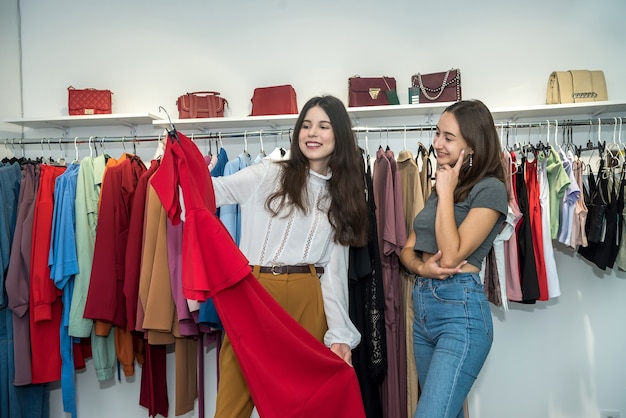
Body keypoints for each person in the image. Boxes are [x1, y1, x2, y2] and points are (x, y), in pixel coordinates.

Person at [211, 95, 369, 417]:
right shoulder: (267, 173)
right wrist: (181, 169)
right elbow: (217, 190)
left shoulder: (342, 194)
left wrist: (339, 335)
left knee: (301, 408)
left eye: (323, 126)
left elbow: (334, 273)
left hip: (307, 298)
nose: (312, 133)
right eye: (306, 125)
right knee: (231, 406)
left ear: (338, 135)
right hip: (253, 295)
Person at [400, 100, 508, 418]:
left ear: (472, 145)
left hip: (461, 315)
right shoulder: (443, 188)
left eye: (448, 137)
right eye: (437, 134)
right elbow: (408, 249)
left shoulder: (491, 190)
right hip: (423, 315)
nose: (437, 143)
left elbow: (450, 257)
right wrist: (423, 268)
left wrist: (445, 191)